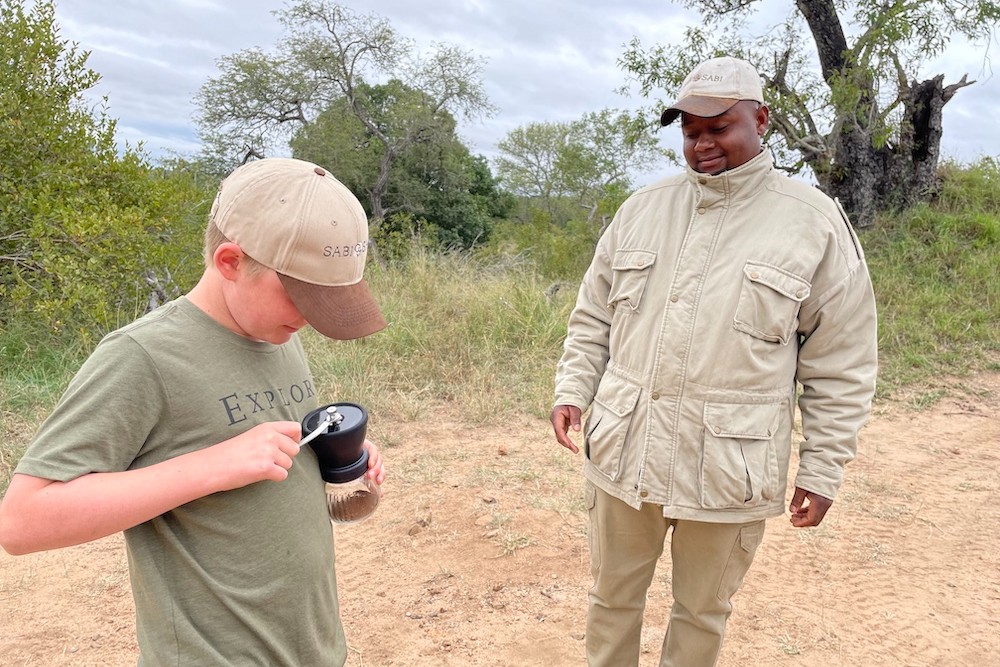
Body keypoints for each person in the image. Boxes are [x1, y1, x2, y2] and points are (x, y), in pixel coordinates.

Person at [550, 56, 878, 667]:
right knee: (611, 600)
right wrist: (573, 386)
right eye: (690, 131)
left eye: (719, 127)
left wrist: (823, 467)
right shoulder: (643, 208)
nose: (702, 143)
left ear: (762, 119)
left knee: (702, 614)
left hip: (729, 464)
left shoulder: (814, 223)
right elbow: (594, 313)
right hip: (626, 448)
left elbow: (843, 360)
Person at [0, 157, 388, 666]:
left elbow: (266, 484)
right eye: (302, 297)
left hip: (310, 650)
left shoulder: (277, 335)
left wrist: (340, 465)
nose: (310, 320)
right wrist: (210, 467)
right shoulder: (143, 357)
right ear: (231, 262)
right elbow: (23, 521)